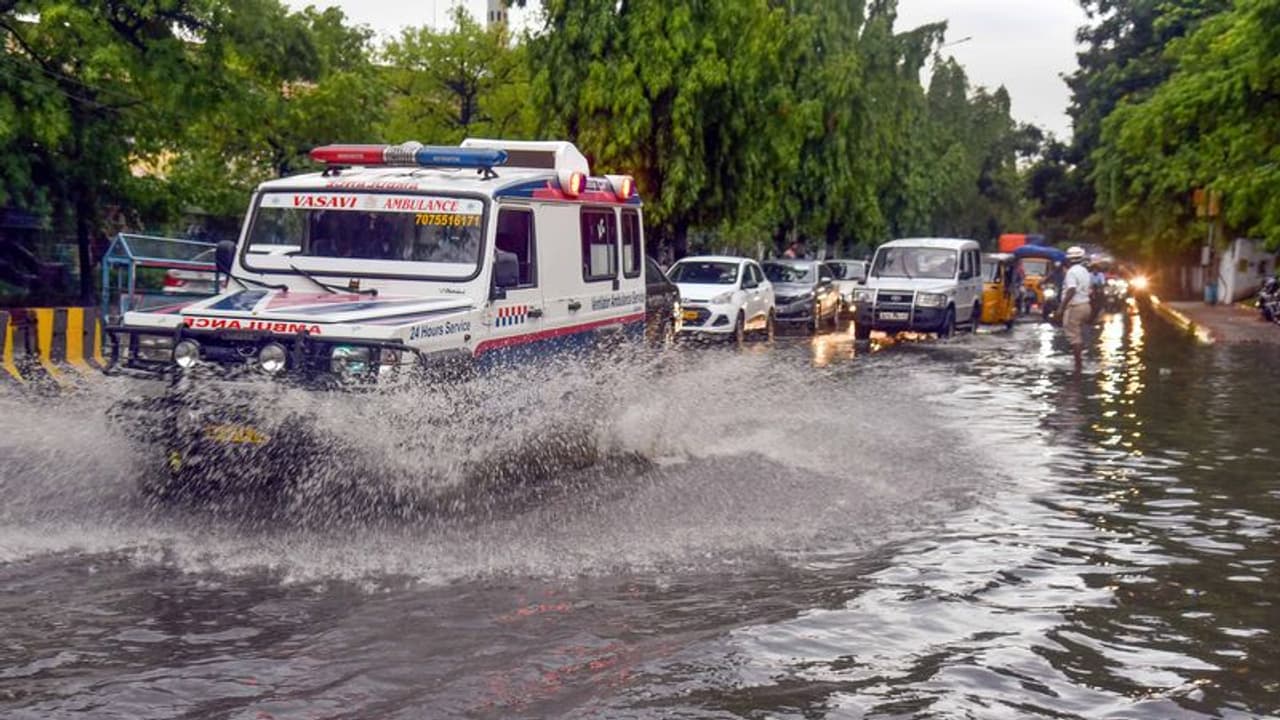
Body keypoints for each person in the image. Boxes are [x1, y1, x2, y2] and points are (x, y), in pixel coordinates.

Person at [1054, 246, 1093, 372]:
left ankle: (1078, 365)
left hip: (1075, 306)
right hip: (1086, 305)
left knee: (1074, 336)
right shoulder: (1085, 271)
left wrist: (1061, 308)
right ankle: (1080, 360)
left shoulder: (1071, 272)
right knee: (1078, 334)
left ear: (1069, 259)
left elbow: (1071, 289)